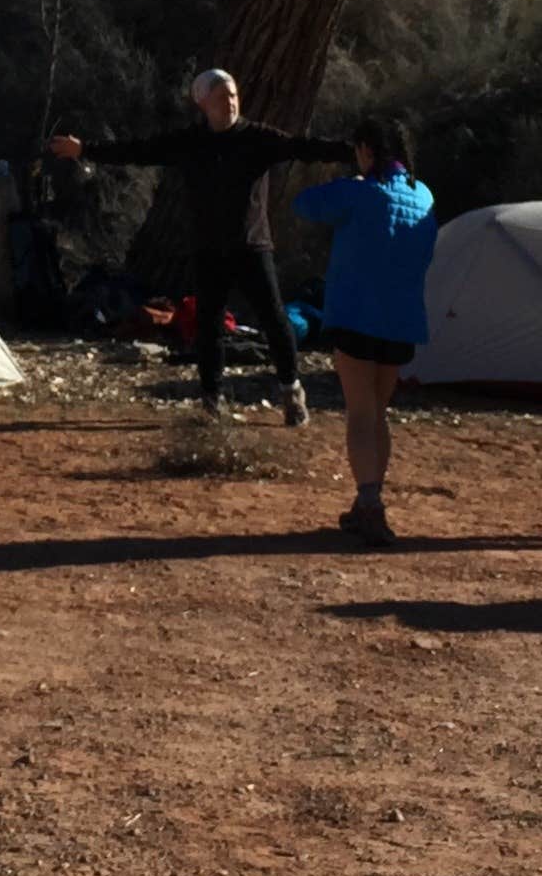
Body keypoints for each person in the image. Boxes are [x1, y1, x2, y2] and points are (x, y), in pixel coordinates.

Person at [49, 70, 353, 425]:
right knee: (208, 326)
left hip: (251, 246)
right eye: (222, 97)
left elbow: (306, 148)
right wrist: (86, 149)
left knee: (274, 319)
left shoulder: (257, 138)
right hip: (209, 250)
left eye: (234, 95)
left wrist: (355, 152)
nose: (231, 102)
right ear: (203, 103)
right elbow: (139, 150)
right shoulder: (190, 142)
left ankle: (292, 391)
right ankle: (211, 400)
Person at [293, 116, 440, 545]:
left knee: (360, 412)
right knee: (378, 410)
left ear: (367, 151)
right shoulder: (424, 195)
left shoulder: (357, 192)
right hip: (402, 322)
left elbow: (304, 204)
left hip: (357, 316)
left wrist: (352, 178)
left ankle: (370, 503)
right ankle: (366, 503)